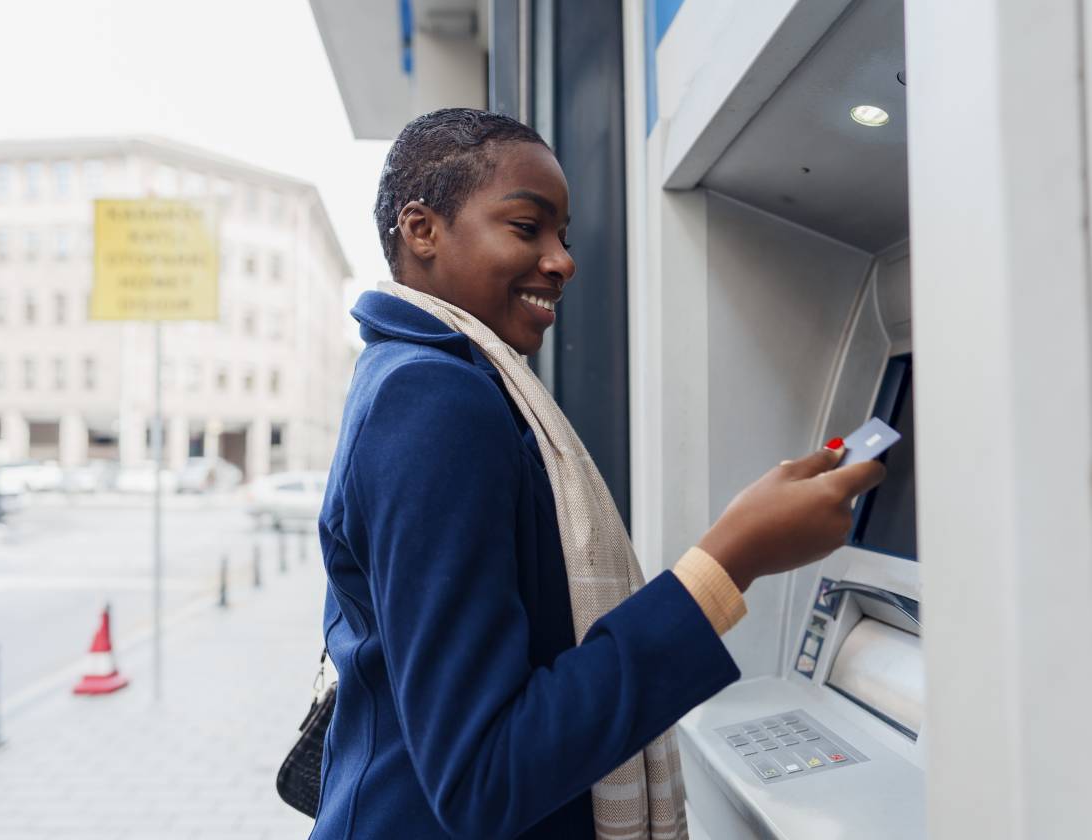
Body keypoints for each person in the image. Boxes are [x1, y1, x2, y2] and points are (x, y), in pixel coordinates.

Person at [310, 109, 885, 840]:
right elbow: (484, 776)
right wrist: (730, 560)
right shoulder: (433, 397)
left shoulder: (426, 374)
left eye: (564, 236)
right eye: (527, 227)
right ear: (420, 230)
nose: (562, 260)